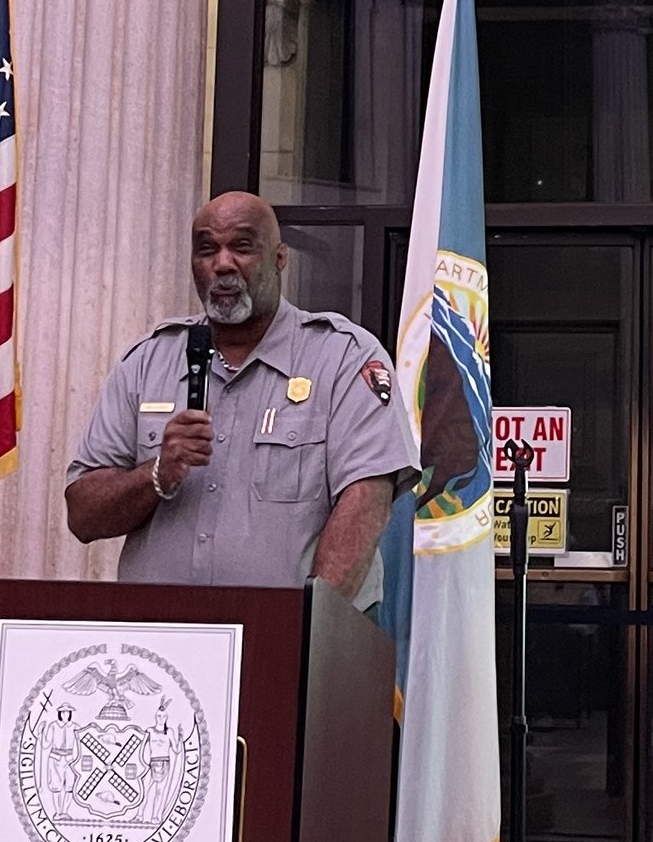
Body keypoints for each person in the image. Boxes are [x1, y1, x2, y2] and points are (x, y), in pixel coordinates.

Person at [64, 192, 416, 594]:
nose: (223, 264)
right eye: (207, 250)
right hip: (162, 645)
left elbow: (365, 504)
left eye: (243, 247)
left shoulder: (343, 357)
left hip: (282, 639)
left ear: (280, 258)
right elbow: (83, 514)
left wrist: (306, 630)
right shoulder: (148, 361)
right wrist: (157, 472)